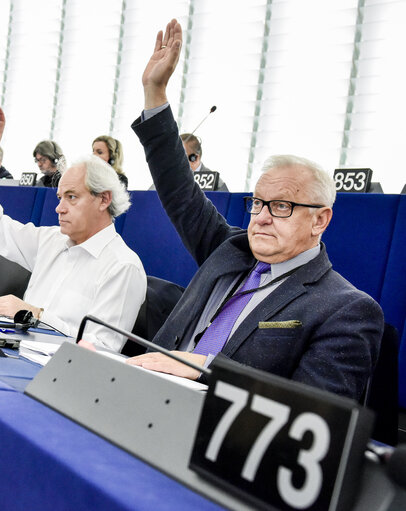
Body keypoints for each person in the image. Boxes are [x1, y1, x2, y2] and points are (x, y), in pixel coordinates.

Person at [125, 19, 382, 400]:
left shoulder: (344, 309)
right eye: (259, 203)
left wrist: (205, 370)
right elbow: (179, 189)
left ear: (320, 219)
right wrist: (155, 91)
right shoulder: (229, 249)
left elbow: (314, 413)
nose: (261, 216)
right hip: (136, 400)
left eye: (281, 206)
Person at [0, 104, 146, 352]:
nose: (59, 208)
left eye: (72, 197)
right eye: (60, 198)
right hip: (12, 354)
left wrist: (35, 315)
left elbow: (100, 349)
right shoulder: (50, 240)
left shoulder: (122, 266)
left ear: (104, 200)